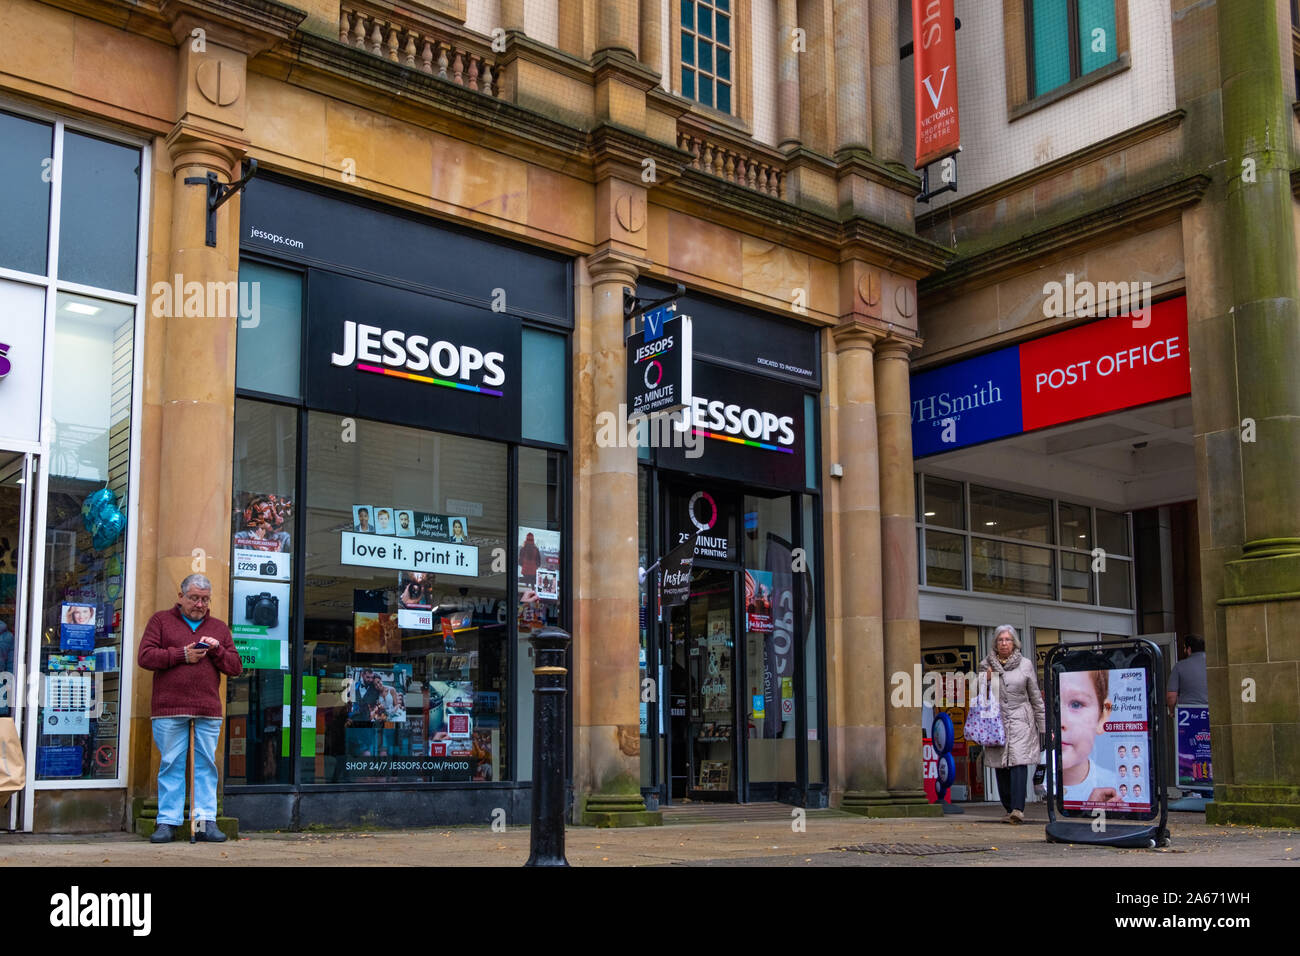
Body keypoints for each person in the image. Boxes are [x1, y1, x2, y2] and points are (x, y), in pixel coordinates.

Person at [137, 574, 241, 843]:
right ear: (180, 596)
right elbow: (145, 657)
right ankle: (167, 822)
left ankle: (206, 820)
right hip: (169, 708)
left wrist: (217, 650)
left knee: (206, 765)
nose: (200, 604)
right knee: (171, 764)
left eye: (205, 599)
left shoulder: (218, 627)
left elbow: (235, 667)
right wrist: (181, 654)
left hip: (207, 708)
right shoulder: (160, 621)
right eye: (194, 598)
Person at [979, 624, 1045, 824]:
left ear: (1014, 642)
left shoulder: (1025, 665)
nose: (1004, 643)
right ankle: (1008, 807)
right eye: (1000, 640)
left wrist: (1043, 726)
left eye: (1007, 639)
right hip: (997, 720)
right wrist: (986, 679)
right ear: (995, 643)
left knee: (1018, 762)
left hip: (1020, 719)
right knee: (1001, 765)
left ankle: (1018, 809)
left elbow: (1035, 696)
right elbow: (979, 695)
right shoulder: (986, 665)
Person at [1059, 670, 1123, 806]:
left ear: (1102, 716)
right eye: (1053, 704)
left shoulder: (1115, 787)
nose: (1061, 721)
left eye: (1076, 704)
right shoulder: (1033, 779)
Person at [1167, 634, 1208, 715]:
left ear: (1189, 649)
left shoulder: (1179, 666)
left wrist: (1172, 712)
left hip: (1188, 714)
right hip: (1211, 712)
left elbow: (1171, 697)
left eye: (1184, 648)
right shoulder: (1213, 666)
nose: (1184, 651)